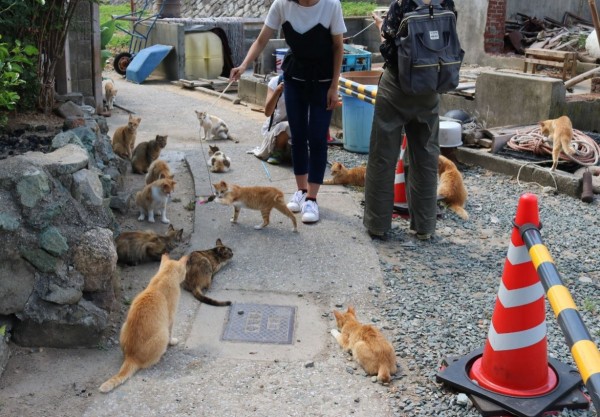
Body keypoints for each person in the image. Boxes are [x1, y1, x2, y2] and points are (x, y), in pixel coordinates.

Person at [230, 0, 346, 224]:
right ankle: (301, 192)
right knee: (299, 136)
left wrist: (334, 86)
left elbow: (338, 47)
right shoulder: (282, 5)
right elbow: (262, 38)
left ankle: (312, 198)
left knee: (318, 137)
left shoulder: (331, 5)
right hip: (294, 79)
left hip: (322, 81)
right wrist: (244, 65)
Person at [363, 0, 457, 241]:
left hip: (396, 88)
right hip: (429, 89)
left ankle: (378, 224)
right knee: (426, 156)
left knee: (383, 155)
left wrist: (380, 27)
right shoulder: (445, 3)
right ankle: (424, 226)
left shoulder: (401, 5)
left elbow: (389, 49)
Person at [251, 75, 291, 165]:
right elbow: (268, 113)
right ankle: (278, 151)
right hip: (278, 126)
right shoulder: (276, 81)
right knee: (286, 126)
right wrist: (277, 91)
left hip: (300, 125)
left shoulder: (306, 81)